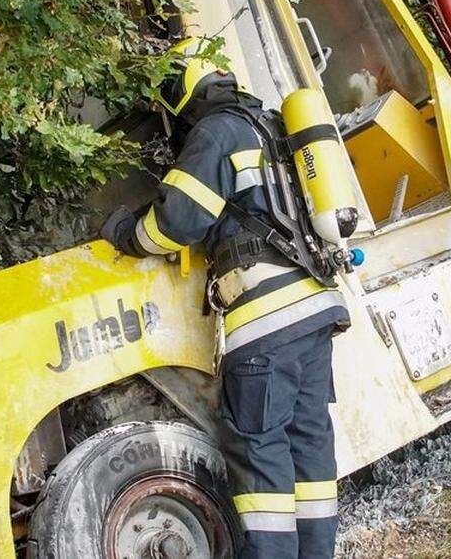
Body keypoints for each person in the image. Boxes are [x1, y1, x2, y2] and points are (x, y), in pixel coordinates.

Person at [101, 39, 348, 559]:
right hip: (315, 308)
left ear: (184, 94)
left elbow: (177, 222)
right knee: (310, 449)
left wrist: (123, 231)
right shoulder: (277, 126)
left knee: (260, 457)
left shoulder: (216, 132)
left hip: (265, 323)